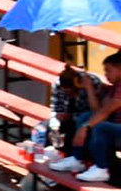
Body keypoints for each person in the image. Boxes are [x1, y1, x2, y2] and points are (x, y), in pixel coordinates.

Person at [49, 51, 121, 182]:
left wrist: (84, 128)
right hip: (116, 126)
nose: (106, 75)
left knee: (100, 127)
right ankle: (77, 159)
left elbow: (104, 112)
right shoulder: (114, 87)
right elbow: (97, 110)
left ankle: (101, 168)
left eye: (109, 71)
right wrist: (89, 88)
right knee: (86, 116)